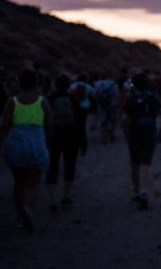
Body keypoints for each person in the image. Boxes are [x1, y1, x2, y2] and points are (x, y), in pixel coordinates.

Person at [0, 69, 52, 231]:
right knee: (34, 183)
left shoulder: (12, 102)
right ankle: (28, 209)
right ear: (36, 84)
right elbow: (49, 126)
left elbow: (4, 125)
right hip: (36, 144)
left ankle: (19, 216)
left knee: (18, 183)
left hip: (15, 145)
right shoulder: (42, 102)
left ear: (20, 84)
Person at [121, 73, 161, 210]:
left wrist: (126, 134)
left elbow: (124, 120)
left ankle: (136, 192)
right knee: (145, 164)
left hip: (134, 134)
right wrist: (160, 134)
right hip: (150, 134)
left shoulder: (131, 98)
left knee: (134, 163)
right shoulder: (152, 98)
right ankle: (144, 193)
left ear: (133, 85)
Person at [45, 74, 87, 212]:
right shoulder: (73, 100)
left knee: (52, 166)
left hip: (53, 137)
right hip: (71, 137)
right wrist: (83, 143)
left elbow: (44, 121)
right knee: (70, 165)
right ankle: (66, 196)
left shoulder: (49, 100)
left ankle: (52, 201)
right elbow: (80, 123)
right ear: (68, 85)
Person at [94, 75, 120, 143]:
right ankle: (112, 134)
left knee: (103, 120)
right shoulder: (114, 84)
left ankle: (103, 137)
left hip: (102, 104)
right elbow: (116, 94)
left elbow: (96, 94)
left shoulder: (98, 84)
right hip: (112, 104)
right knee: (113, 120)